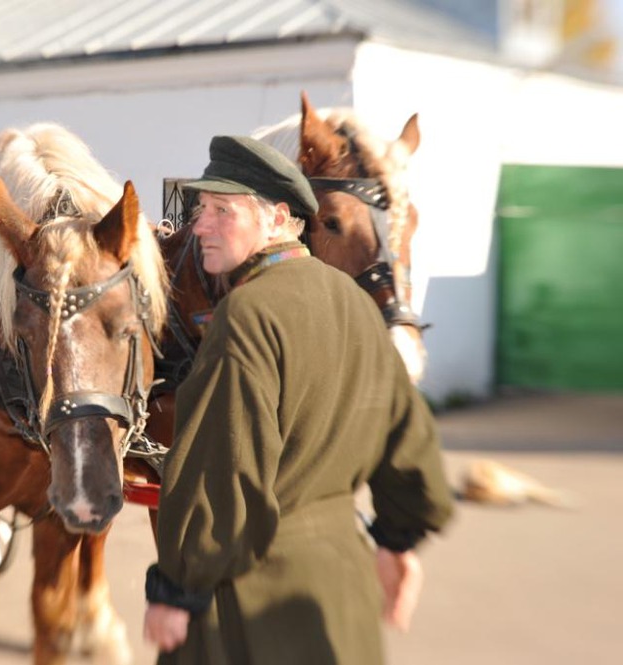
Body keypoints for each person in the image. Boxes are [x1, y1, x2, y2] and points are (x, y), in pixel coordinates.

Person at [142, 136, 453, 664]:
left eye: (223, 210)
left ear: (278, 217)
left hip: (251, 601)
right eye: (200, 210)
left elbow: (222, 472)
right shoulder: (355, 304)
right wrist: (399, 539)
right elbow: (407, 436)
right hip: (342, 591)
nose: (200, 226)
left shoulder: (246, 315)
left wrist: (178, 589)